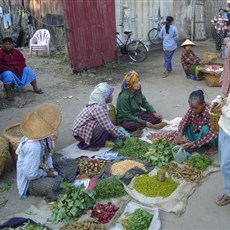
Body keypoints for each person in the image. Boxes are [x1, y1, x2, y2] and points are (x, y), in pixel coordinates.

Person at [16, 103, 76, 201]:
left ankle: (58, 179)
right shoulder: (33, 147)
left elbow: (48, 156)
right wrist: (46, 174)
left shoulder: (44, 138)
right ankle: (57, 182)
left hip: (44, 169)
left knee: (71, 163)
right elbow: (30, 174)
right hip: (32, 181)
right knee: (55, 185)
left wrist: (51, 168)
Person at [72, 82, 127, 151]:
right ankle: (91, 145)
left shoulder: (98, 104)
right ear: (104, 96)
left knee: (109, 119)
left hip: (84, 130)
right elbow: (108, 126)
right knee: (104, 126)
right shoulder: (98, 107)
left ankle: (99, 139)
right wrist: (123, 137)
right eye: (110, 95)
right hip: (80, 133)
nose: (111, 96)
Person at [0, 37, 43, 101]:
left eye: (10, 44)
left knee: (28, 70)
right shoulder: (0, 53)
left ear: (12, 45)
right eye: (6, 44)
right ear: (3, 45)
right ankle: (9, 94)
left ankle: (35, 88)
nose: (8, 46)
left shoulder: (17, 52)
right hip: (5, 72)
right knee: (8, 74)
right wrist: (11, 68)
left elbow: (23, 61)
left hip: (17, 70)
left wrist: (18, 68)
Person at [178, 90, 218, 156]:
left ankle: (213, 147)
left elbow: (213, 133)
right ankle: (195, 143)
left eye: (196, 108)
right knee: (185, 127)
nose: (193, 110)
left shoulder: (210, 111)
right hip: (198, 133)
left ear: (203, 104)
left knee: (206, 129)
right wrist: (180, 134)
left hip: (209, 134)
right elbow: (184, 122)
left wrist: (196, 143)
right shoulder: (192, 110)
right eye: (191, 107)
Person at [216, 94, 230, 206]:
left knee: (225, 166)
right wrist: (224, 102)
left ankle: (229, 193)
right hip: (224, 128)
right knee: (223, 161)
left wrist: (223, 108)